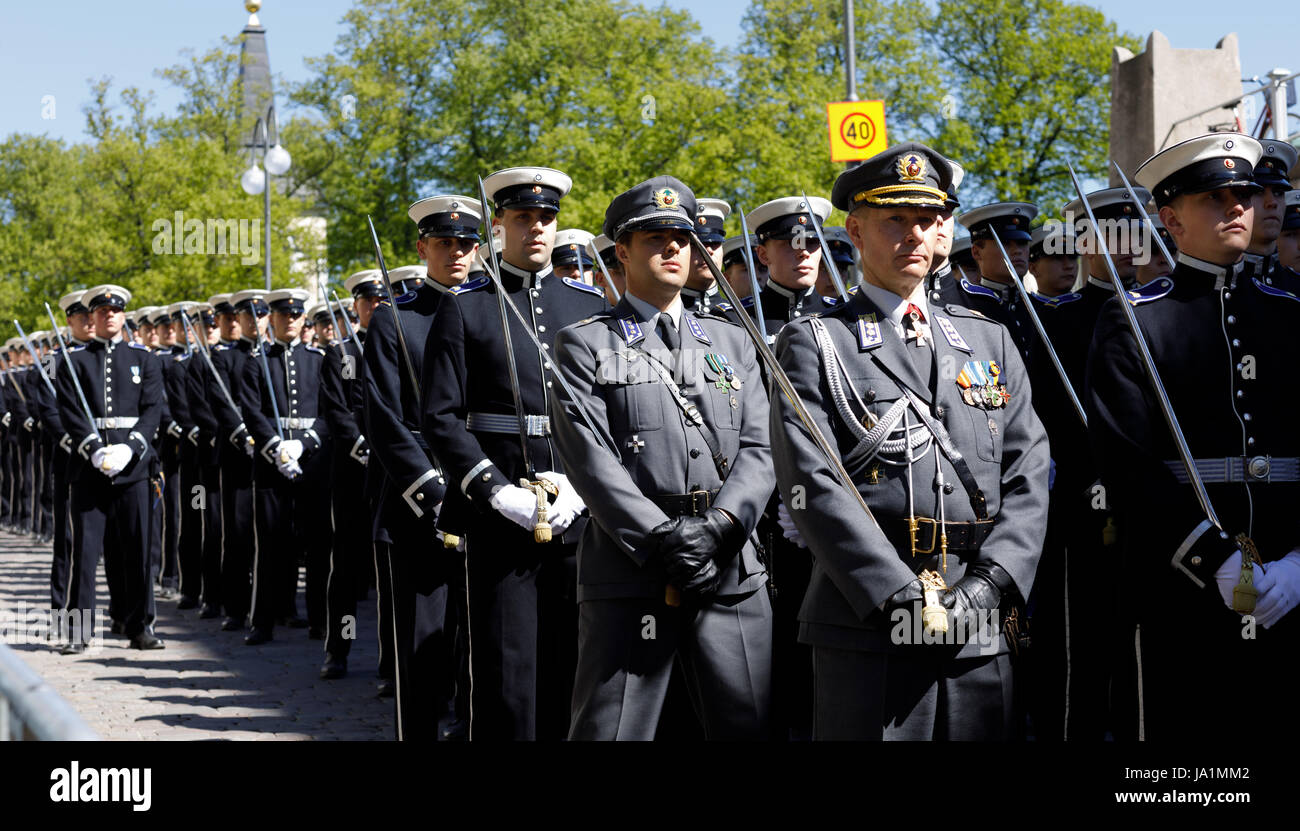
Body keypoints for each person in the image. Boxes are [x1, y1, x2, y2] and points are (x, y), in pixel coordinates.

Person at [770, 143, 1050, 739]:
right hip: (866, 618)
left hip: (980, 614)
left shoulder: (989, 340)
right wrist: (898, 598)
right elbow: (812, 486)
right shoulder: (817, 342)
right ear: (855, 228)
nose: (914, 235)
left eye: (927, 220)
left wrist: (990, 584)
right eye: (894, 219)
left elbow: (1029, 475)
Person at [1091, 133, 1300, 741]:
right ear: (1170, 217)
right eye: (1215, 197)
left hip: (1290, 577)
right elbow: (1127, 461)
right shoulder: (1132, 317)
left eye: (1244, 192)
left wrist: (1297, 564)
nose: (1238, 205)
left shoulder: (1290, 312)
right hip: (1180, 583)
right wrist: (1217, 558)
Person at [550, 175, 774, 739]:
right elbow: (590, 460)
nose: (674, 248)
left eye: (683, 237)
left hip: (729, 566)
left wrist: (722, 526)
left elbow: (760, 447)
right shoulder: (584, 344)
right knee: (614, 729)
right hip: (633, 571)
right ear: (622, 252)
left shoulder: (732, 340)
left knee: (744, 725)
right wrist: (663, 540)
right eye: (654, 237)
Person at [422, 166, 608, 740]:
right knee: (506, 668)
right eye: (523, 217)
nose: (536, 228)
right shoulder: (465, 307)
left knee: (574, 661)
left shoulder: (587, 306)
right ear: (499, 224)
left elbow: (608, 411)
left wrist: (583, 485)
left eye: (546, 218)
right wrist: (494, 490)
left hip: (577, 512)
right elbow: (441, 417)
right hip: (500, 512)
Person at [365, 195, 479, 739]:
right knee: (423, 640)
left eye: (466, 244)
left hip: (487, 495)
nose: (456, 253)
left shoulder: (489, 315)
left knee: (480, 640)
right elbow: (384, 419)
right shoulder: (395, 320)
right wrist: (432, 488)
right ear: (422, 248)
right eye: (444, 243)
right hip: (422, 501)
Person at [57, 284, 166, 653]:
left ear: (123, 316)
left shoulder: (145, 358)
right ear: (92, 317)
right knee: (84, 554)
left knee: (138, 550)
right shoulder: (74, 360)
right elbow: (70, 411)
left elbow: (153, 411)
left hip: (133, 468)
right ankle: (78, 632)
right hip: (89, 469)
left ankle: (141, 625)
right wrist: (92, 448)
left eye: (114, 311)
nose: (108, 316)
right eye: (101, 311)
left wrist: (130, 448)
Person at [238, 288, 332, 645]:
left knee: (318, 543)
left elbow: (328, 412)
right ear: (272, 319)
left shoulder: (319, 359)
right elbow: (251, 410)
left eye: (295, 315)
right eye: (283, 315)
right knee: (270, 544)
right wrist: (276, 447)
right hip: (271, 462)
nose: (290, 320)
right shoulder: (256, 360)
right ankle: (261, 620)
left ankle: (319, 620)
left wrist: (304, 443)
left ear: (303, 319)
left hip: (313, 461)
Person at [319, 271, 380, 683]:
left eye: (381, 299)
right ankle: (339, 649)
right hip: (352, 472)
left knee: (390, 573)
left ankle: (390, 661)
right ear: (355, 305)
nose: (374, 306)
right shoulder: (339, 353)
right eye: (367, 300)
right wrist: (365, 449)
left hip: (394, 474)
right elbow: (336, 413)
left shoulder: (402, 347)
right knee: (345, 568)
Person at [680, 198, 730, 313]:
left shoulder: (740, 316)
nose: (708, 250)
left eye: (715, 243)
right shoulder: (664, 314)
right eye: (698, 244)